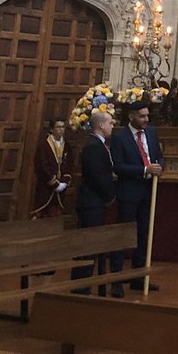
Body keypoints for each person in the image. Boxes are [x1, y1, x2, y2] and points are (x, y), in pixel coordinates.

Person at [109, 101, 163, 291]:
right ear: (131, 117)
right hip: (128, 192)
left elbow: (158, 155)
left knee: (144, 235)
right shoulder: (120, 137)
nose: (146, 120)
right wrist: (144, 169)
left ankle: (138, 277)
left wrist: (157, 166)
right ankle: (115, 279)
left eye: (147, 116)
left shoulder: (151, 133)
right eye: (142, 116)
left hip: (148, 191)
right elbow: (118, 166)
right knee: (124, 235)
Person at [73, 110, 120, 296]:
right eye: (110, 123)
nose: (112, 125)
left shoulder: (98, 145)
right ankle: (81, 284)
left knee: (92, 243)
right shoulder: (94, 146)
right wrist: (110, 195)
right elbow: (98, 176)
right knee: (88, 244)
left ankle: (86, 281)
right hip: (92, 202)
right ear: (101, 125)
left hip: (95, 201)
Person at [31, 118, 72, 218]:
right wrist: (54, 182)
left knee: (56, 214)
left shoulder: (66, 145)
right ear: (51, 129)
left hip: (61, 185)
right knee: (43, 213)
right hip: (46, 186)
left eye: (63, 127)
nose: (61, 129)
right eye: (58, 127)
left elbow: (69, 164)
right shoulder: (44, 145)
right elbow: (41, 165)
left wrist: (64, 181)